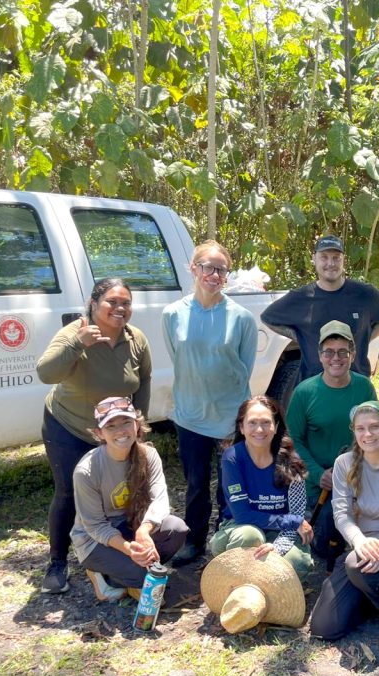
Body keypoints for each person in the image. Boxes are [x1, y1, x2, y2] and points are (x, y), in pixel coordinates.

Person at [36, 278, 152, 594]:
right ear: (94, 303)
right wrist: (79, 344)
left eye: (126, 302)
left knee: (121, 491)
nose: (120, 308)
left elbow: (142, 383)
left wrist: (138, 429)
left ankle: (113, 553)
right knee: (69, 493)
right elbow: (46, 373)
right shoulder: (76, 332)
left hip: (114, 433)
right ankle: (57, 564)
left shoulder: (136, 339)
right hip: (69, 427)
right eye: (112, 302)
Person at [163, 240, 258, 565]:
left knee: (230, 485)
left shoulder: (241, 318)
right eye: (208, 267)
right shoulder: (173, 314)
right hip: (189, 415)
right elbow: (180, 359)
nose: (214, 274)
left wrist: (237, 419)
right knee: (196, 484)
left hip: (230, 417)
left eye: (221, 269)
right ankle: (194, 542)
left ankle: (226, 539)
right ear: (194, 269)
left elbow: (243, 369)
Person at [309, 401, 379, 643]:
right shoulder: (344, 464)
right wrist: (359, 541)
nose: (367, 434)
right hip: (359, 547)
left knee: (355, 564)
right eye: (360, 429)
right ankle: (370, 595)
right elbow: (341, 513)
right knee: (324, 627)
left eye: (374, 427)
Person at [71, 397, 189, 599]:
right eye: (110, 426)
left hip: (133, 525)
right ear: (99, 433)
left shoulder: (148, 455)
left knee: (177, 529)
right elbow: (95, 525)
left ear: (137, 425)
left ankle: (130, 573)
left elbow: (159, 500)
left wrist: (145, 530)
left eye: (126, 422)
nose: (120, 431)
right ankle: (104, 576)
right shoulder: (87, 470)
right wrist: (129, 550)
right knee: (148, 575)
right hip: (96, 540)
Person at [286, 320, 377, 570]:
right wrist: (318, 474)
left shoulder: (364, 387)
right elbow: (293, 441)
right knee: (325, 538)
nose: (335, 358)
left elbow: (376, 434)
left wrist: (355, 469)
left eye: (342, 352)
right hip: (319, 484)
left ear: (353, 354)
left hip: (356, 476)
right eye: (329, 352)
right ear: (320, 356)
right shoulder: (305, 392)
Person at [261, 235, 379, 380]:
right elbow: (267, 318)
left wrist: (366, 337)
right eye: (324, 257)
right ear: (314, 259)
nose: (330, 263)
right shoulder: (301, 297)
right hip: (314, 386)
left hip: (356, 384)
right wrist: (301, 337)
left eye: (336, 257)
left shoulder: (363, 293)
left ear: (343, 260)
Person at [208, 396, 314, 579]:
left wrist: (277, 547)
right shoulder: (232, 458)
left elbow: (296, 513)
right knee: (250, 536)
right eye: (252, 423)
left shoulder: (291, 461)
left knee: (298, 564)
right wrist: (293, 522)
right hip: (239, 528)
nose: (259, 429)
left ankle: (264, 584)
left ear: (276, 426)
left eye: (266, 422)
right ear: (241, 427)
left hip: (279, 531)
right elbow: (243, 515)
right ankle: (236, 582)